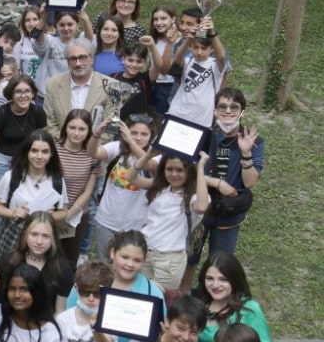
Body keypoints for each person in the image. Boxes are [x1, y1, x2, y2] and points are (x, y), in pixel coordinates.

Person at [181, 88, 264, 290]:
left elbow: (251, 182)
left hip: (229, 214)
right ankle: (182, 296)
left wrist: (246, 154)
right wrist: (217, 183)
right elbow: (188, 171)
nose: (228, 111)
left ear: (242, 112)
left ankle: (210, 300)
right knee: (189, 257)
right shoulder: (203, 137)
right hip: (200, 208)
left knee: (220, 263)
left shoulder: (254, 142)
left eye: (234, 107)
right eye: (222, 107)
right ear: (215, 111)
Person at [196, 252, 285, 342]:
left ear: (235, 280)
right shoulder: (197, 301)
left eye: (223, 279)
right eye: (209, 278)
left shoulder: (249, 311)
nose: (215, 285)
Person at [126, 148, 210, 290]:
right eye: (169, 169)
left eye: (179, 170)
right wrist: (148, 156)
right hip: (145, 251)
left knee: (161, 301)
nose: (174, 174)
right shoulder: (160, 188)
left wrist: (200, 168)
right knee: (140, 296)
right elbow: (130, 177)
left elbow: (201, 207)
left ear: (188, 171)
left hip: (169, 259)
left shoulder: (194, 196)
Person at [0, 75, 47, 251]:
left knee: (24, 209)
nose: (23, 95)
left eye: (27, 91)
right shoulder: (1, 114)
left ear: (33, 93)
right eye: (18, 91)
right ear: (11, 94)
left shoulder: (38, 113)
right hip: (3, 162)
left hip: (29, 164)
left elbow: (43, 144)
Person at [0, 130, 68, 259]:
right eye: (34, 150)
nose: (39, 156)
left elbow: (64, 212)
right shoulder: (11, 177)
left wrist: (51, 216)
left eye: (45, 152)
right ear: (27, 152)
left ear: (52, 154)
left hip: (41, 238)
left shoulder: (57, 181)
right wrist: (14, 213)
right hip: (14, 234)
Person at [91, 115, 157, 257]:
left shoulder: (155, 156)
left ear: (152, 136)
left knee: (128, 266)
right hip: (106, 220)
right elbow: (93, 152)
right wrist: (96, 134)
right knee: (105, 265)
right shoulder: (118, 148)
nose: (138, 138)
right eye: (134, 133)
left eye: (144, 134)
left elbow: (149, 165)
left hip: (135, 226)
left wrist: (131, 142)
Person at [43, 38, 118, 139]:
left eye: (82, 58)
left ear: (91, 58)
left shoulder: (112, 86)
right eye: (73, 59)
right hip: (62, 147)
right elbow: (50, 123)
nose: (78, 63)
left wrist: (90, 148)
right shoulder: (53, 85)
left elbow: (111, 128)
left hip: (96, 150)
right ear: (68, 62)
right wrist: (67, 147)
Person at [55, 109, 100, 263]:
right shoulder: (53, 149)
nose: (76, 133)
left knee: (69, 260)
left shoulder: (93, 154)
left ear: (89, 131)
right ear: (65, 127)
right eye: (72, 127)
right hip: (50, 211)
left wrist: (66, 217)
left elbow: (88, 192)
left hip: (77, 214)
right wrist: (57, 216)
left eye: (82, 129)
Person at [7, 213, 74, 314]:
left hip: (46, 324)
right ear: (25, 234)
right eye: (34, 234)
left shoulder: (63, 268)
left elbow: (60, 310)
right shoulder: (10, 261)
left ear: (53, 239)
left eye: (46, 236)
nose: (39, 241)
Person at [167, 15, 227, 127]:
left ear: (211, 49)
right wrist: (188, 40)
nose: (199, 52)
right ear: (191, 47)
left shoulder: (215, 65)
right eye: (196, 47)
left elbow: (222, 57)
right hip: (176, 113)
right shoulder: (187, 61)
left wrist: (212, 33)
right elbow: (177, 58)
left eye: (204, 48)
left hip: (201, 119)